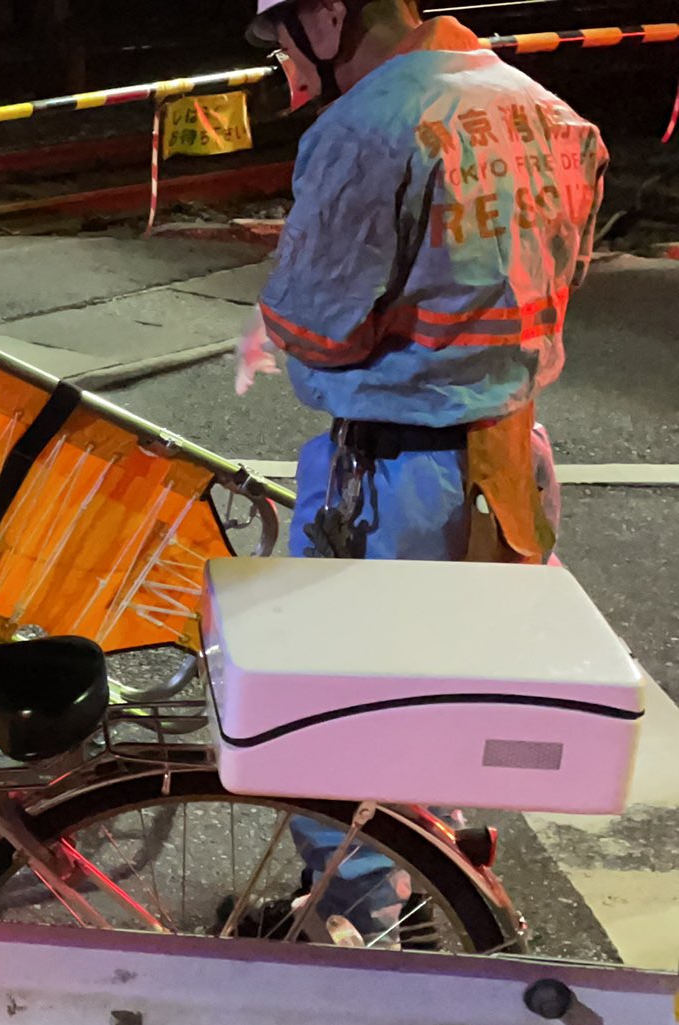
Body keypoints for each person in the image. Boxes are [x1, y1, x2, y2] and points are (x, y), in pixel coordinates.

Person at [235, 0, 605, 938]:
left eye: (285, 38)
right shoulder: (553, 115)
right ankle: (443, 857)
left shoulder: (366, 129)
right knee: (452, 687)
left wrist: (280, 322)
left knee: (332, 712)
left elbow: (321, 323)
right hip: (511, 457)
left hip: (395, 472)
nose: (286, 59)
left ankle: (373, 906)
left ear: (325, 16)